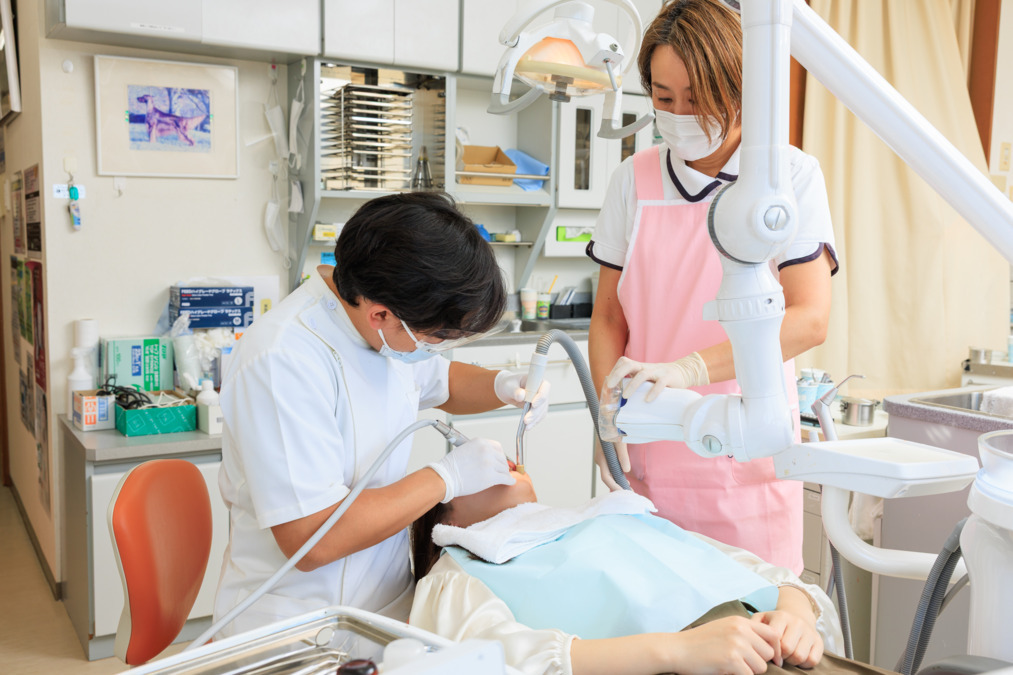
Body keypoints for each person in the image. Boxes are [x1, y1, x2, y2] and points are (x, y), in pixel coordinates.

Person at [213, 191, 551, 638]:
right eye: (437, 336)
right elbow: (312, 537)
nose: (437, 347)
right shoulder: (281, 361)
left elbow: (441, 379)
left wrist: (503, 385)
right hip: (298, 621)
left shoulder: (386, 326)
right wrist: (446, 477)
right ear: (381, 314)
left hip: (384, 606)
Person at [587, 0, 839, 573]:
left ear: (741, 85)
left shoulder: (788, 177)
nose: (679, 115)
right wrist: (606, 414)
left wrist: (691, 370)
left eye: (697, 97)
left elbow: (809, 318)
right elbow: (608, 318)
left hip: (743, 458)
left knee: (751, 639)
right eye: (663, 97)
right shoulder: (634, 179)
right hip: (646, 452)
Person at [409, 474, 895, 675]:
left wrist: (795, 614)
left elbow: (761, 573)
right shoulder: (459, 572)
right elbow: (494, 663)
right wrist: (678, 649)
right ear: (444, 520)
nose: (500, 459)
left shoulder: (612, 516)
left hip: (776, 647)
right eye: (472, 468)